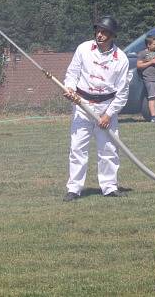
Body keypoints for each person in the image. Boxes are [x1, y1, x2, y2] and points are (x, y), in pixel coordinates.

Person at [62, 15, 132, 201]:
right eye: (98, 31)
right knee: (77, 148)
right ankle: (74, 188)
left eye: (104, 32)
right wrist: (69, 88)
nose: (99, 35)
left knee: (108, 149)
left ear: (112, 36)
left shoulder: (121, 59)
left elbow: (122, 92)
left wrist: (108, 114)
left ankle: (109, 187)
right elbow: (72, 73)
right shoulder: (83, 49)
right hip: (82, 104)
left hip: (106, 106)